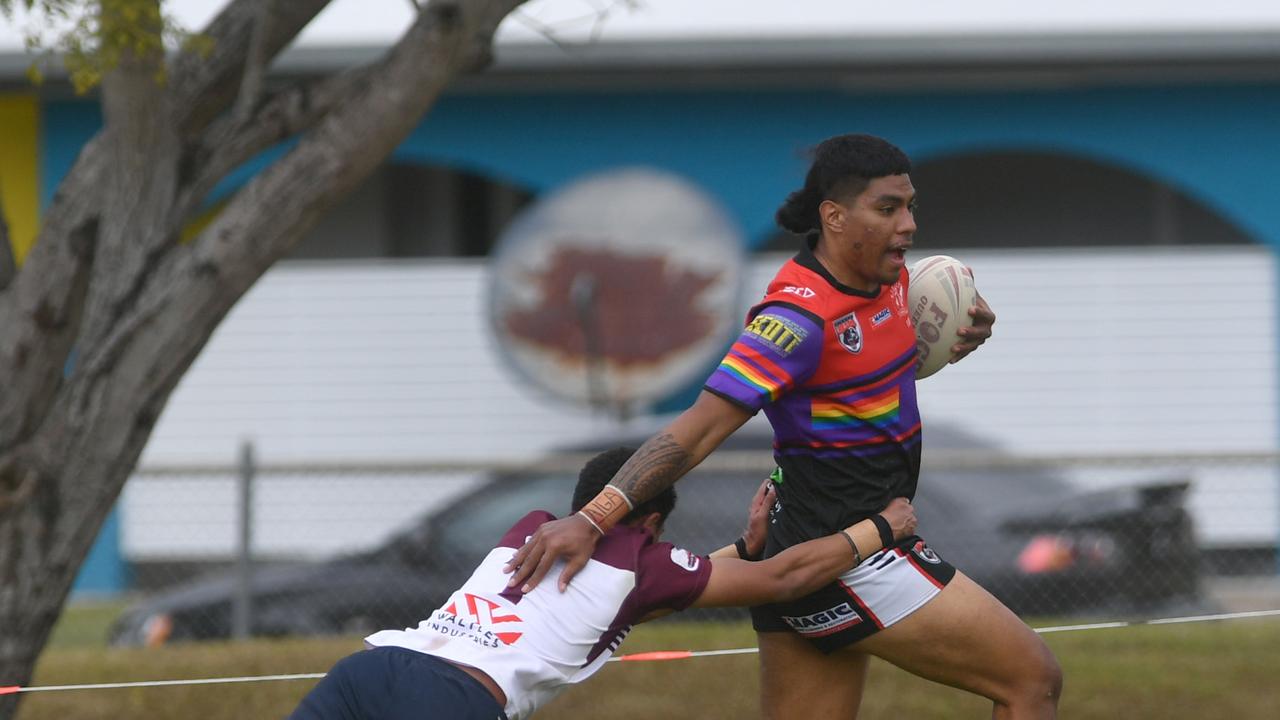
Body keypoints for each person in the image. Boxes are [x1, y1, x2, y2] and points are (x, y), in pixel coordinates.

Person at [505, 134, 1063, 719]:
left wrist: (952, 342)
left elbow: (856, 386)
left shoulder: (894, 284)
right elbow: (696, 429)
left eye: (910, 206)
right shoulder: (795, 321)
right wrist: (594, 519)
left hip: (803, 553)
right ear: (834, 216)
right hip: (849, 553)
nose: (908, 226)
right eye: (887, 208)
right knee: (1032, 681)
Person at [288, 447, 918, 720]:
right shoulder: (642, 563)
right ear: (647, 521)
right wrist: (881, 528)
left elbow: (609, 607)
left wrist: (744, 547)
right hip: (449, 703)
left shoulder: (531, 527)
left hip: (368, 670)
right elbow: (783, 579)